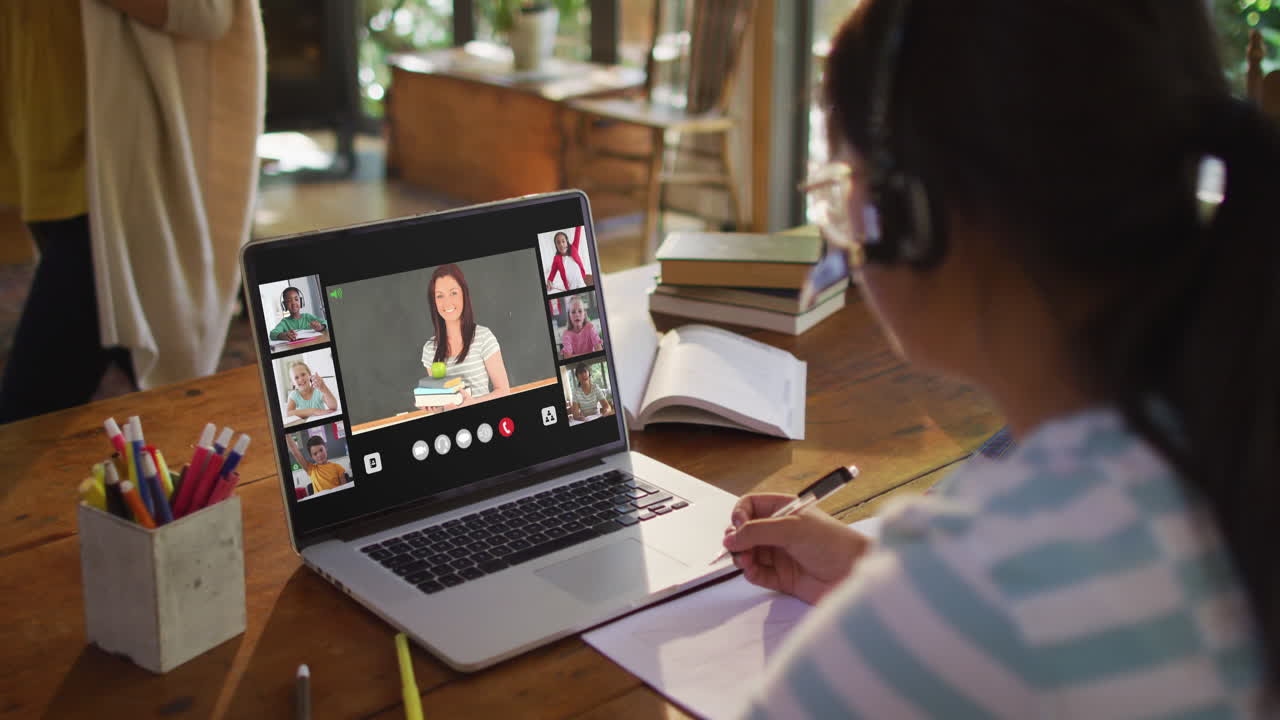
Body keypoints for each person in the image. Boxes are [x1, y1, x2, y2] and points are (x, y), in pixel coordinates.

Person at [721, 1, 1276, 716]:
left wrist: (918, 613)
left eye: (842, 187)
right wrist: (880, 579)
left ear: (916, 211)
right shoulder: (1226, 439)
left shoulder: (977, 592)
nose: (846, 237)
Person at [0, 0, 264, 423]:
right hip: (46, 163)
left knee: (26, 412)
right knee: (145, 382)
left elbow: (209, 11)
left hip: (116, 184)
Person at [421, 264, 511, 411]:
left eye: (453, 293)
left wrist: (474, 403)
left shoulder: (483, 337)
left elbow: (504, 391)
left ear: (464, 294)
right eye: (440, 296)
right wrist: (432, 406)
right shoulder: (430, 350)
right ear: (434, 302)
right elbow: (442, 404)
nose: (447, 302)